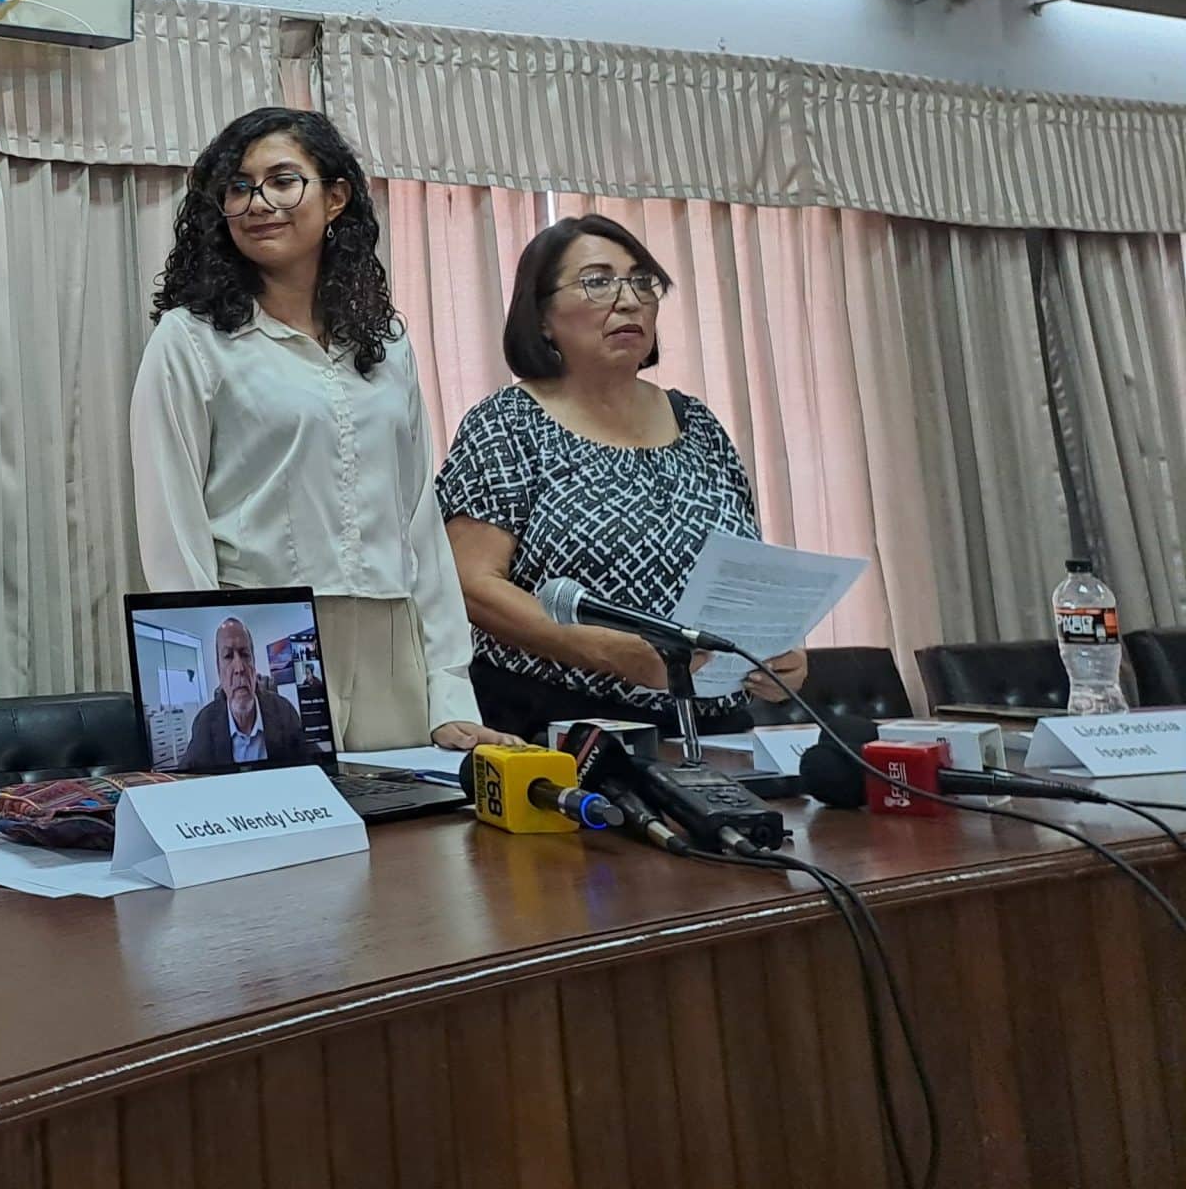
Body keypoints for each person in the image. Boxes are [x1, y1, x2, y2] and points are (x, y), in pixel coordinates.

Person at [130, 107, 511, 755]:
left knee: (414, 848)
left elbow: (418, 523)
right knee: (283, 846)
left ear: (335, 198)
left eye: (283, 181)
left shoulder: (387, 344)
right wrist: (214, 686)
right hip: (264, 642)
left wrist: (449, 691)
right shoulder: (192, 339)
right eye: (240, 187)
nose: (260, 203)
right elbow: (173, 531)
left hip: (395, 641)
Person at [438, 214, 809, 740]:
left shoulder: (698, 424)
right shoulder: (508, 423)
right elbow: (470, 585)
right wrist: (608, 651)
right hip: (559, 724)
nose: (629, 299)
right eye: (597, 281)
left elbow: (739, 575)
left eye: (642, 282)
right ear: (541, 316)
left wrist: (773, 650)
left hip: (716, 730)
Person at [179, 617, 306, 767]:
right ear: (219, 670)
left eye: (245, 655)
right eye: (228, 656)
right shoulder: (204, 724)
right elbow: (186, 775)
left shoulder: (286, 712)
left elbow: (313, 762)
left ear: (254, 664)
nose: (239, 668)